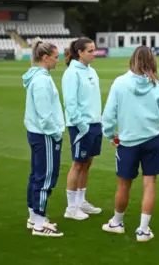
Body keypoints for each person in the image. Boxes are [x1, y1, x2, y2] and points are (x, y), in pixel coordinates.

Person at [101, 46, 159, 242]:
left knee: (124, 184)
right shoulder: (158, 84)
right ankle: (143, 229)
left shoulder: (119, 83)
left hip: (128, 141)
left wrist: (110, 135)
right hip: (154, 139)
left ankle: (117, 222)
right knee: (149, 184)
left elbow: (108, 117)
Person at [23, 39, 65, 237]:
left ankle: (34, 217)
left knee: (37, 174)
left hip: (38, 133)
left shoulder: (40, 77)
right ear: (45, 57)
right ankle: (40, 224)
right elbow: (45, 114)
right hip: (45, 135)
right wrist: (56, 133)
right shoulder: (41, 81)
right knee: (46, 177)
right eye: (56, 57)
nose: (59, 60)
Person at [62, 37, 103, 221]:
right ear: (80, 53)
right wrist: (81, 125)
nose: (94, 54)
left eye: (94, 50)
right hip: (81, 126)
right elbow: (70, 103)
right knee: (78, 163)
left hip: (95, 124)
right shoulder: (72, 74)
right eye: (90, 51)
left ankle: (81, 201)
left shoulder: (92, 71)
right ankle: (71, 208)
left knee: (87, 163)